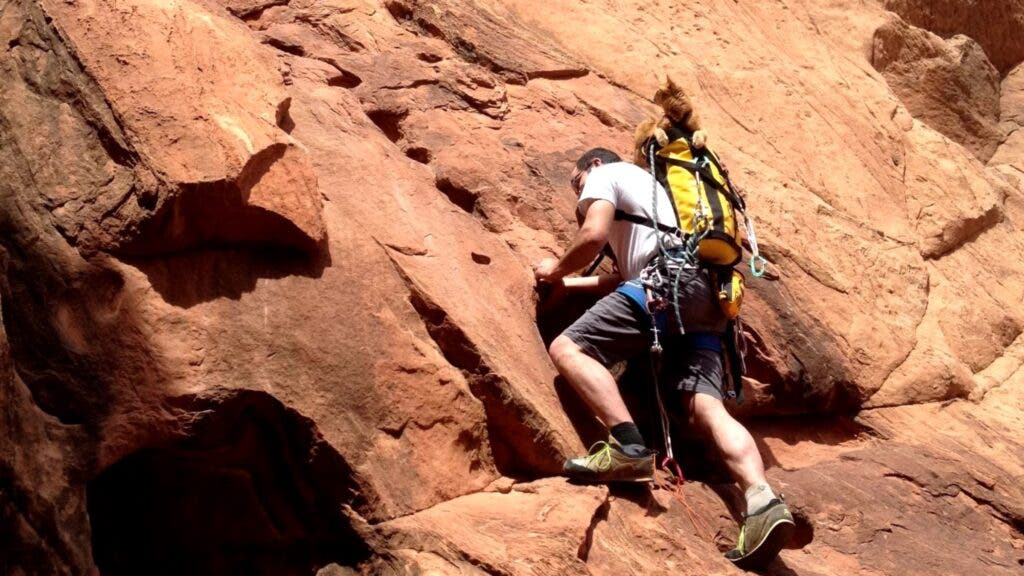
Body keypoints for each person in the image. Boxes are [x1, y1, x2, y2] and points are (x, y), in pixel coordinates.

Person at [534, 147, 794, 567]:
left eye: (576, 185)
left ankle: (627, 448)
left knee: (570, 347)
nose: (578, 198)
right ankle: (762, 501)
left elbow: (593, 236)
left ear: (593, 166)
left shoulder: (607, 174)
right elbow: (619, 277)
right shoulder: (658, 197)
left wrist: (554, 271)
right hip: (707, 298)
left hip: (665, 285)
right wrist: (573, 284)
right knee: (707, 408)